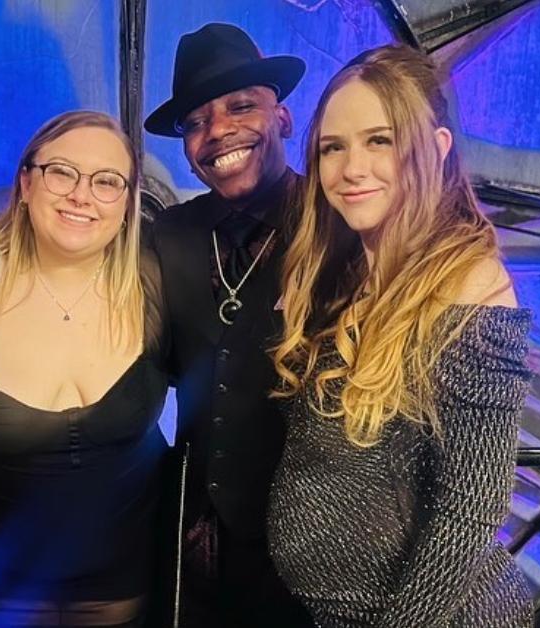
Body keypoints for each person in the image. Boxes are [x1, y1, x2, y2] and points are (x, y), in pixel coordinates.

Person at [266, 45, 534, 627]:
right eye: (333, 147)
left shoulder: (470, 286)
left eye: (379, 140)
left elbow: (473, 505)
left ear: (436, 149)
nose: (351, 168)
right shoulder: (352, 274)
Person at [0, 111, 167, 627]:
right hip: (3, 596)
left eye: (107, 182)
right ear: (25, 182)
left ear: (128, 204)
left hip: (132, 593)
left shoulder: (158, 285)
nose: (81, 195)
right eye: (62, 172)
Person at [143, 22, 313, 628]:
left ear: (284, 118)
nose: (217, 132)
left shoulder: (340, 227)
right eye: (195, 122)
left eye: (241, 106)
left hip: (318, 541)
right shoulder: (167, 236)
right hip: (196, 542)